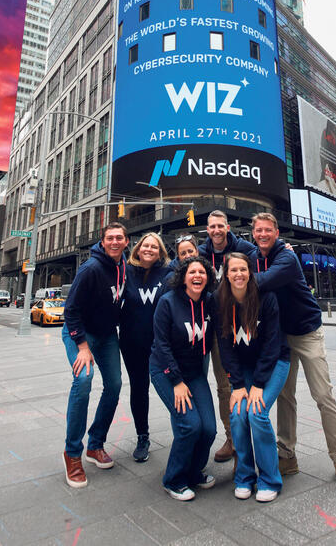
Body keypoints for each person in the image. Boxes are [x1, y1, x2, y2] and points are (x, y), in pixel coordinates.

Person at [250, 212, 336, 488]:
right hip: (281, 336)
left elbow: (262, 281)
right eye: (258, 230)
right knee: (285, 396)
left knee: (323, 395)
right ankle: (287, 455)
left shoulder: (287, 257)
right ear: (253, 233)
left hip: (307, 331)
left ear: (276, 232)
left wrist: (235, 279)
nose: (262, 234)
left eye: (267, 230)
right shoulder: (253, 256)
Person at [216, 253, 290, 502]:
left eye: (243, 269)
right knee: (237, 414)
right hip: (244, 368)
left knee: (257, 412)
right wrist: (237, 385)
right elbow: (225, 347)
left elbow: (272, 344)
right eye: (233, 270)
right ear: (226, 274)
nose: (239, 274)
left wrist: (258, 384)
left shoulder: (266, 298)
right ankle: (244, 477)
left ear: (251, 272)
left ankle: (270, 479)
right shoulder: (220, 301)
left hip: (274, 363)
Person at [62, 222, 129, 488]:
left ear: (126, 241)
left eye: (119, 238)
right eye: (110, 238)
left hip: (107, 334)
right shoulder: (90, 269)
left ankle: (96, 444)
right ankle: (72, 453)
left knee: (114, 385)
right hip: (80, 334)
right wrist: (82, 346)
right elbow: (71, 310)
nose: (114, 242)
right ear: (102, 242)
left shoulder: (124, 266)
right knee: (84, 381)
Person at [150, 257, 217, 501]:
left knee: (209, 428)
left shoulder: (210, 302)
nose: (197, 276)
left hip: (194, 372)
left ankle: (193, 471)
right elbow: (161, 344)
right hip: (166, 371)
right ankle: (174, 479)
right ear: (183, 277)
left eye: (202, 272)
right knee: (190, 425)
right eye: (192, 272)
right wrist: (176, 382)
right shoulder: (168, 302)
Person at [198, 210, 255, 462]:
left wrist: (282, 248)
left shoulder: (244, 248)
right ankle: (232, 439)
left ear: (228, 227)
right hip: (218, 328)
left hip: (244, 324)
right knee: (225, 387)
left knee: (248, 384)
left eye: (220, 226)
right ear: (207, 229)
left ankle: (250, 438)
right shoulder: (201, 253)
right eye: (212, 227)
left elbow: (264, 265)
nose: (216, 230)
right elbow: (181, 273)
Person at [120, 232, 171, 463]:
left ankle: (185, 433)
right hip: (132, 344)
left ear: (160, 252)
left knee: (174, 388)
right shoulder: (125, 271)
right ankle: (143, 437)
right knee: (139, 389)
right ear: (138, 249)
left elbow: (192, 261)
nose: (149, 249)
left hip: (161, 346)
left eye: (154, 246)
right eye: (145, 245)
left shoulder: (168, 273)